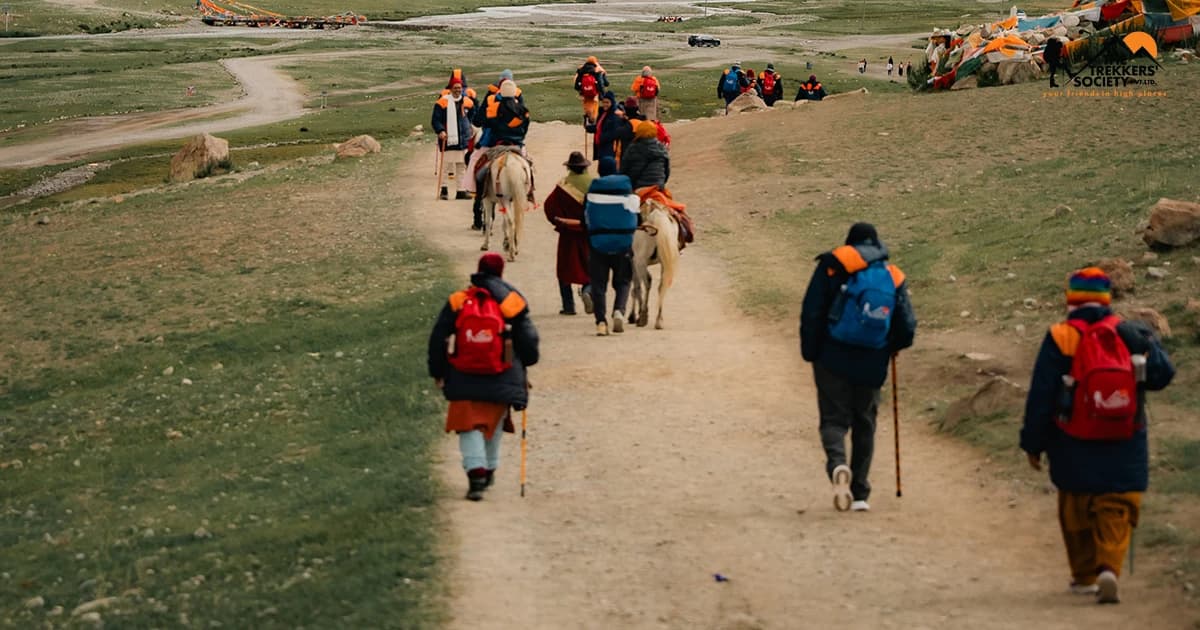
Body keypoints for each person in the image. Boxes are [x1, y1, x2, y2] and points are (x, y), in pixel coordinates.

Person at [1020, 268, 1174, 604]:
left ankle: (1084, 576)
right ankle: (1110, 568)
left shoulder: (1061, 336)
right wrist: (1146, 350)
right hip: (1125, 437)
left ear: (1070, 300)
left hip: (1071, 439)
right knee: (1117, 503)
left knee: (1075, 504)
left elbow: (1041, 395)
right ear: (1107, 300)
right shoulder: (1130, 332)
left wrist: (1032, 443)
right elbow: (1163, 374)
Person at [800, 223, 917, 512]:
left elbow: (812, 311)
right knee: (865, 422)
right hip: (872, 360)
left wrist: (811, 352)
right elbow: (906, 326)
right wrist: (891, 347)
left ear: (849, 243)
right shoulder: (892, 275)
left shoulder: (832, 266)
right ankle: (860, 493)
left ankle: (838, 465)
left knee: (833, 420)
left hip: (831, 356)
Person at [428, 253, 540, 501]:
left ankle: (476, 473)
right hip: (502, 374)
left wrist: (438, 371)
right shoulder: (511, 301)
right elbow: (528, 340)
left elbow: (438, 338)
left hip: (463, 375)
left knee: (468, 425)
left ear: (478, 271)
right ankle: (489, 467)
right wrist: (526, 363)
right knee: (493, 423)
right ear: (501, 272)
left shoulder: (458, 300)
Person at [584, 156, 638, 336]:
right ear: (616, 169)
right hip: (623, 243)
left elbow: (584, 218)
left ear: (599, 171)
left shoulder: (592, 190)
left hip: (598, 243)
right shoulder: (628, 189)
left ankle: (601, 322)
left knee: (598, 284)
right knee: (623, 281)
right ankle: (619, 311)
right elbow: (637, 217)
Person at [542, 152, 594, 316]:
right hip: (588, 233)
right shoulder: (594, 184)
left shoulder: (562, 186)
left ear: (569, 168)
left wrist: (558, 222)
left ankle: (568, 306)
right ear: (585, 168)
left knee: (564, 269)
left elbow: (549, 207)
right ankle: (587, 290)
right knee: (590, 267)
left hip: (568, 234)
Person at [431, 77, 476, 200]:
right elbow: (435, 120)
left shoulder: (468, 102)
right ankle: (444, 190)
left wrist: (469, 126)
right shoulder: (442, 103)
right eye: (455, 88)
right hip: (447, 139)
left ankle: (461, 191)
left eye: (459, 88)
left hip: (463, 139)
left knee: (462, 165)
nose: (457, 90)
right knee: (445, 165)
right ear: (450, 89)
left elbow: (473, 115)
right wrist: (440, 130)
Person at [620, 120, 669, 191]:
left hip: (639, 187)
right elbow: (666, 171)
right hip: (658, 187)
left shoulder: (633, 148)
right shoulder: (661, 147)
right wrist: (661, 183)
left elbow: (625, 169)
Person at [593, 91, 632, 164]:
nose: (605, 104)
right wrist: (590, 128)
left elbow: (614, 132)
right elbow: (600, 126)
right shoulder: (603, 113)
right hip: (601, 145)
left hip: (610, 148)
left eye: (607, 102)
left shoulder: (615, 115)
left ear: (612, 102)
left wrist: (602, 137)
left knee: (607, 165)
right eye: (603, 102)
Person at [575, 56, 609, 126]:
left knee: (587, 106)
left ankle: (587, 117)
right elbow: (604, 83)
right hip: (595, 93)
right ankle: (593, 121)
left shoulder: (581, 70)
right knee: (595, 106)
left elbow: (576, 82)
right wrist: (602, 93)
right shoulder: (598, 69)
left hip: (584, 93)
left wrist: (580, 91)